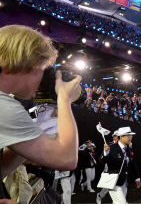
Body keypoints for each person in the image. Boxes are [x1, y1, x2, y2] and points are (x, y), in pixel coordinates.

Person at [0, 25, 82, 183]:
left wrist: (28, 142)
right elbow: (66, 159)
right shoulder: (4, 105)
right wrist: (64, 99)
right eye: (43, 70)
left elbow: (1, 169)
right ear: (31, 66)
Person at [100, 127, 141, 204]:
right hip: (113, 181)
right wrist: (105, 152)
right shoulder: (111, 147)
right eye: (128, 135)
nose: (130, 137)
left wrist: (137, 177)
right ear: (121, 137)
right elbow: (102, 161)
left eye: (131, 135)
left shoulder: (128, 149)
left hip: (124, 181)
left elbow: (132, 164)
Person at [97, 131, 118, 204]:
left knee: (119, 185)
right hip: (110, 168)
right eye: (116, 136)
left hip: (120, 169)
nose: (118, 137)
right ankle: (100, 195)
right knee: (108, 185)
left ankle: (117, 200)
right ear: (113, 137)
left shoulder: (123, 145)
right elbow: (103, 157)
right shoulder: (109, 144)